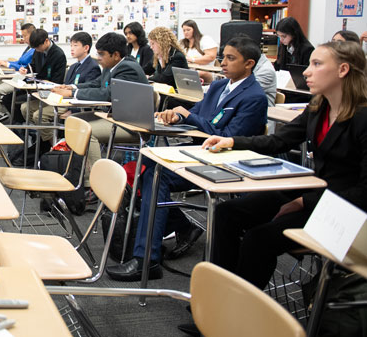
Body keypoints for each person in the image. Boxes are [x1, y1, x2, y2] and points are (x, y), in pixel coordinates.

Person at [106, 36, 268, 281]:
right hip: (198, 155)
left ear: (249, 64)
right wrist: (176, 116)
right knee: (146, 168)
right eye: (223, 57)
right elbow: (197, 114)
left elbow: (229, 139)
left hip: (223, 164)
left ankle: (146, 258)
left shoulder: (255, 97)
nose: (223, 62)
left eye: (230, 58)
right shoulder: (218, 87)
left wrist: (188, 117)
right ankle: (170, 237)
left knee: (154, 174)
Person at [207, 41, 367, 290]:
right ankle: (218, 296)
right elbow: (278, 140)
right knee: (227, 213)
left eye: (316, 64)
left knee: (258, 238)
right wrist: (232, 141)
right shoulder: (319, 107)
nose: (306, 72)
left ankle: (239, 310)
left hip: (342, 208)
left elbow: (363, 192)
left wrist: (305, 201)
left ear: (343, 70)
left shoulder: (362, 118)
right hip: (314, 191)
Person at [52, 32, 149, 168]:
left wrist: (73, 93)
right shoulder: (111, 66)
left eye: (101, 54)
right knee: (72, 121)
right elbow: (96, 83)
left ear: (115, 54)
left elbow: (108, 94)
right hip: (114, 116)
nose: (98, 58)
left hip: (131, 124)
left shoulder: (128, 69)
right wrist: (71, 87)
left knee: (86, 130)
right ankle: (80, 171)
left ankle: (95, 177)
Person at [20, 32, 100, 152]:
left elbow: (90, 92)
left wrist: (73, 110)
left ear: (86, 48)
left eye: (75, 45)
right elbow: (65, 86)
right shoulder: (74, 66)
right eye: (71, 45)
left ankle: (55, 146)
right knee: (26, 107)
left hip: (71, 104)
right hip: (60, 100)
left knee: (39, 115)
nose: (72, 49)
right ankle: (46, 139)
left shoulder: (92, 67)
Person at [4, 28, 66, 122]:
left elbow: (57, 80)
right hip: (35, 85)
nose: (37, 50)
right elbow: (33, 66)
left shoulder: (58, 55)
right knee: (7, 98)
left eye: (38, 47)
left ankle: (26, 127)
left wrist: (42, 83)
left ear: (46, 41)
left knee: (19, 103)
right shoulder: (38, 50)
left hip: (47, 90)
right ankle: (21, 125)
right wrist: (26, 70)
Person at [0, 23, 35, 119]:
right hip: (19, 76)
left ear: (32, 34)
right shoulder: (29, 48)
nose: (23, 38)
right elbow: (19, 62)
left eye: (24, 36)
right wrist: (8, 63)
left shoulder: (35, 49)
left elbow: (27, 67)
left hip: (23, 78)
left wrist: (9, 64)